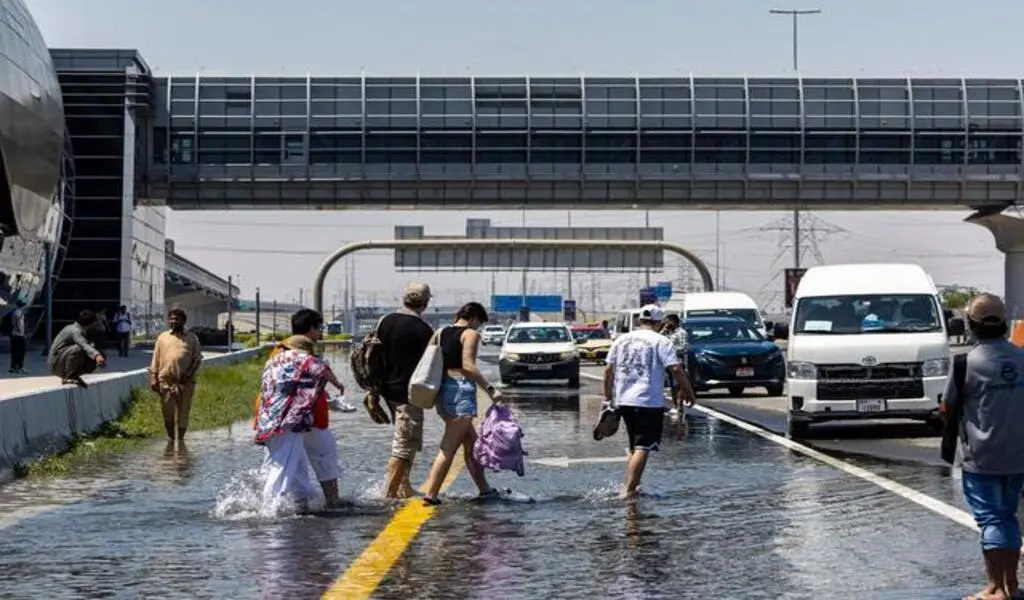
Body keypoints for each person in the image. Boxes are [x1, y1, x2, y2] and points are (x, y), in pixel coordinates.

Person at [941, 293, 1024, 600]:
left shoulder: (965, 363)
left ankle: (994, 588)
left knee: (991, 518)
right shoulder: (1022, 357)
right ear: (1003, 323)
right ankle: (1013, 585)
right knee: (1008, 516)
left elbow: (948, 408)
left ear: (970, 324)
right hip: (1019, 456)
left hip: (982, 457)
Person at [254, 308, 345, 511]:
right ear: (310, 330)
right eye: (319, 329)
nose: (320, 334)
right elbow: (317, 368)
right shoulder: (291, 356)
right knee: (284, 465)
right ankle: (270, 509)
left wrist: (327, 398)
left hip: (303, 417)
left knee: (323, 455)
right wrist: (338, 384)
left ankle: (328, 502)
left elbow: (301, 383)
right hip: (286, 420)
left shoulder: (275, 358)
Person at [604, 304, 696, 501]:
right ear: (659, 322)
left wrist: (607, 398)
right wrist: (688, 392)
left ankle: (632, 484)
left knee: (634, 446)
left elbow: (608, 371)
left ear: (640, 321)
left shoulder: (621, 340)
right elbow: (676, 369)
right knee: (643, 446)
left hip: (623, 400)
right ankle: (628, 490)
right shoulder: (661, 341)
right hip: (647, 400)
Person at [422, 302, 506, 506]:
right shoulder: (470, 334)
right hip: (461, 390)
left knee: (472, 444)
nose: (478, 328)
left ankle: (484, 489)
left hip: (442, 391)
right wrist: (490, 389)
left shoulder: (440, 332)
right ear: (475, 318)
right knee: (448, 447)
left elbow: (429, 360)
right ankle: (431, 495)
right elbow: (468, 365)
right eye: (479, 323)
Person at [376, 283, 435, 498]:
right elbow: (430, 366)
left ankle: (404, 487)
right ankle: (389, 493)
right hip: (408, 394)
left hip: (387, 390)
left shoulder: (385, 321)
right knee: (404, 444)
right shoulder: (423, 330)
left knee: (406, 439)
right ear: (426, 302)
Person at [149, 309, 203, 442]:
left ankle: (181, 441)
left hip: (185, 382)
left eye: (177, 319)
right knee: (167, 413)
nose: (173, 321)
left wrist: (188, 374)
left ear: (183, 321)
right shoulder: (163, 337)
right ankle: (172, 439)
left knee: (183, 413)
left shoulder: (192, 338)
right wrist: (153, 378)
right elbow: (155, 359)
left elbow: (197, 359)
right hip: (165, 381)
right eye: (171, 319)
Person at [48, 310, 106, 388]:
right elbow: (83, 345)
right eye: (95, 323)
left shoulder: (83, 330)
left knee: (97, 353)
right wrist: (96, 355)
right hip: (56, 364)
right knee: (79, 349)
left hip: (63, 361)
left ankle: (74, 375)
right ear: (91, 324)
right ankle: (69, 377)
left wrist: (98, 355)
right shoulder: (75, 330)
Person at [6, 296, 27, 374]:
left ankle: (13, 367)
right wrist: (20, 331)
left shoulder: (14, 311)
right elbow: (17, 323)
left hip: (13, 335)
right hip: (19, 335)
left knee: (14, 351)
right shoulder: (19, 312)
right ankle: (20, 367)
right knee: (21, 352)